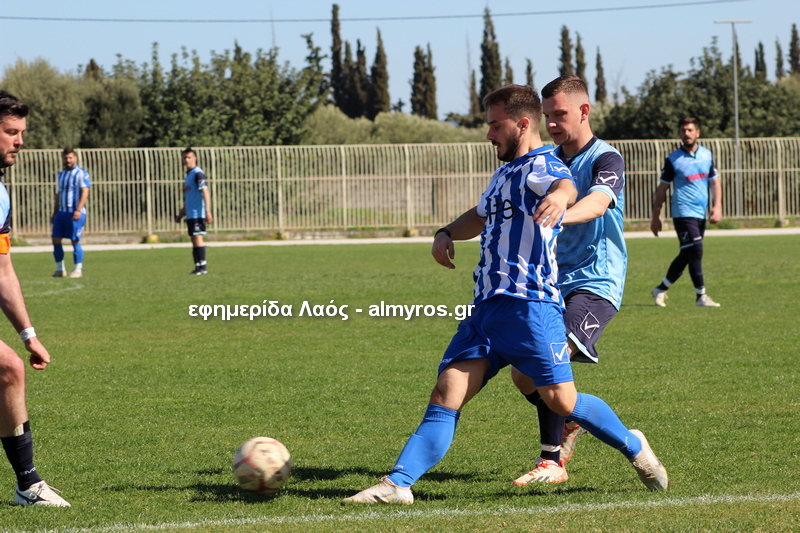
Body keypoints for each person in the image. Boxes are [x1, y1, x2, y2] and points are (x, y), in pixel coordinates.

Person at [341, 85, 667, 506]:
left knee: (562, 399)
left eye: (496, 125)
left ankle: (632, 446)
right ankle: (398, 484)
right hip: (486, 308)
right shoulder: (503, 174)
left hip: (531, 306)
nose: (489, 134)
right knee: (447, 391)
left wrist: (560, 200)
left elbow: (566, 186)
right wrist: (445, 232)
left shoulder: (546, 165)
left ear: (522, 124)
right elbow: (479, 216)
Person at [508, 76, 629, 485]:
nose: (553, 123)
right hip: (553, 283)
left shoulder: (606, 158)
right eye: (547, 116)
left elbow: (597, 203)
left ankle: (552, 460)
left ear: (584, 111)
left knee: (547, 360)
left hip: (596, 282)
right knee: (523, 374)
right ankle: (573, 422)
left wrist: (559, 214)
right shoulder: (548, 162)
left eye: (560, 114)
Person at [0, 90, 70, 506]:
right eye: (11, 131)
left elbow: (2, 270)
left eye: (22, 132)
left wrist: (29, 335)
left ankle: (28, 485)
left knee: (10, 370)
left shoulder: (0, 194)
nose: (20, 141)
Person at [650, 117, 722, 307]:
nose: (686, 134)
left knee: (689, 253)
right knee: (696, 249)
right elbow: (662, 189)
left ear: (698, 133)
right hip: (682, 212)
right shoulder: (673, 159)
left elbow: (715, 182)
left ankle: (660, 289)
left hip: (700, 213)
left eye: (690, 130)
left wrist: (717, 206)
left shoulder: (707, 155)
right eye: (683, 130)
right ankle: (701, 296)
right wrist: (656, 217)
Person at [51, 146, 90, 278]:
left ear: (75, 158)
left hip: (75, 212)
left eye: (70, 158)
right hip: (61, 212)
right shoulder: (61, 175)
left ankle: (78, 269)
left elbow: (85, 192)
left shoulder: (81, 173)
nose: (68, 160)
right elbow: (59, 194)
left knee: (75, 240)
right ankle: (60, 269)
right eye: (66, 158)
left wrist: (78, 210)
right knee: (55, 238)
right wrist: (55, 212)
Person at [174, 147, 213, 275]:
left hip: (198, 213)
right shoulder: (189, 175)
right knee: (193, 239)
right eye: (185, 157)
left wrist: (207, 211)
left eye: (189, 157)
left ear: (195, 158)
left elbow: (205, 192)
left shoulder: (198, 173)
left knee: (197, 237)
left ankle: (203, 267)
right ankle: (198, 266)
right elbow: (190, 198)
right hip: (190, 213)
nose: (187, 160)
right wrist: (181, 213)